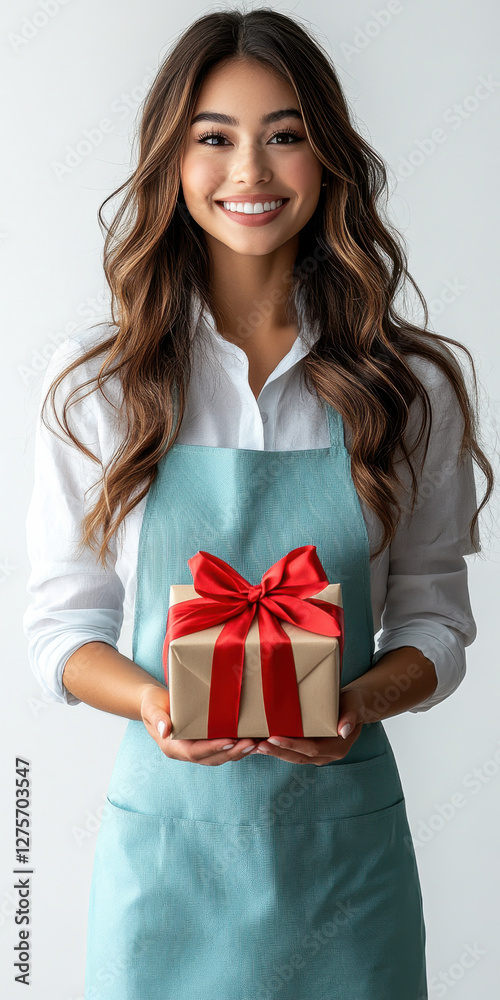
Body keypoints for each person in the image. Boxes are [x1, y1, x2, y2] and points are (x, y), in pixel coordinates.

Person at [23, 8, 493, 1000]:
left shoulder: (407, 385)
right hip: (165, 867)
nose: (251, 171)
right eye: (214, 138)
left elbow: (433, 618)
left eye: (283, 135)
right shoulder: (98, 383)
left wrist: (354, 703)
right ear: (170, 159)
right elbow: (61, 627)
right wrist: (156, 703)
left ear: (325, 157)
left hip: (342, 865)